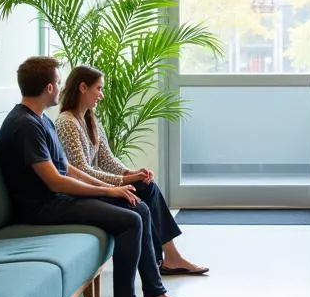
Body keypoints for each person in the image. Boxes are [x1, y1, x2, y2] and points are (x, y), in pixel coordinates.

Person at [0, 56, 195, 297]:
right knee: (131, 221)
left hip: (56, 201)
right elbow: (55, 182)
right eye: (58, 81)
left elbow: (68, 168)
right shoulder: (25, 125)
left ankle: (155, 296)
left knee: (138, 207)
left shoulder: (39, 121)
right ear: (50, 87)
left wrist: (118, 185)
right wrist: (108, 189)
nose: (61, 85)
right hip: (43, 208)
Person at [55, 63, 208, 277]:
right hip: (84, 192)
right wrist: (122, 181)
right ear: (82, 88)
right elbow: (82, 170)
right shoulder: (67, 123)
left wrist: (130, 173)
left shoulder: (90, 118)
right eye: (98, 88)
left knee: (147, 186)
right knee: (145, 193)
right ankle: (166, 259)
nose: (102, 95)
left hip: (96, 184)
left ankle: (169, 257)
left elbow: (106, 158)